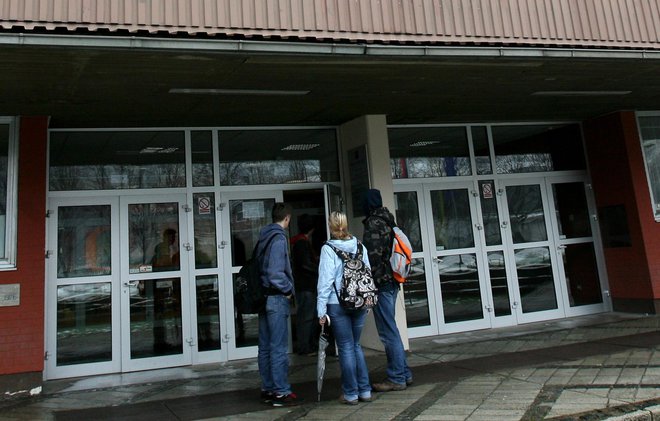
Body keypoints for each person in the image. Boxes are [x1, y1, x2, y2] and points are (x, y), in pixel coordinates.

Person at [317, 211, 372, 405]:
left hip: (336, 303)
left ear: (331, 226)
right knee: (356, 345)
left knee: (346, 347)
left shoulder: (328, 249)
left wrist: (320, 310)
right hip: (359, 302)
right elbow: (368, 274)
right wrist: (367, 301)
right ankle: (365, 391)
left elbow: (325, 281)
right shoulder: (359, 246)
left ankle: (351, 393)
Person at [362, 189, 413, 392]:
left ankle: (397, 377)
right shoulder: (389, 220)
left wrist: (368, 283)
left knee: (387, 333)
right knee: (392, 330)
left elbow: (373, 257)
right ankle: (404, 373)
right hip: (391, 282)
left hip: (381, 284)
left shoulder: (374, 223)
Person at [256, 203, 298, 407]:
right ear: (287, 218)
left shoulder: (264, 235)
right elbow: (275, 273)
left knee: (265, 346)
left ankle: (268, 388)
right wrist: (288, 290)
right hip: (275, 298)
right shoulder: (279, 238)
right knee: (278, 347)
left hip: (263, 298)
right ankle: (281, 391)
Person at [291, 214, 319, 356]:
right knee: (306, 318)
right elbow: (304, 264)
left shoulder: (299, 242)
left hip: (305, 286)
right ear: (312, 229)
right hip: (306, 286)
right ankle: (304, 347)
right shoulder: (302, 243)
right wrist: (319, 270)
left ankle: (309, 345)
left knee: (309, 317)